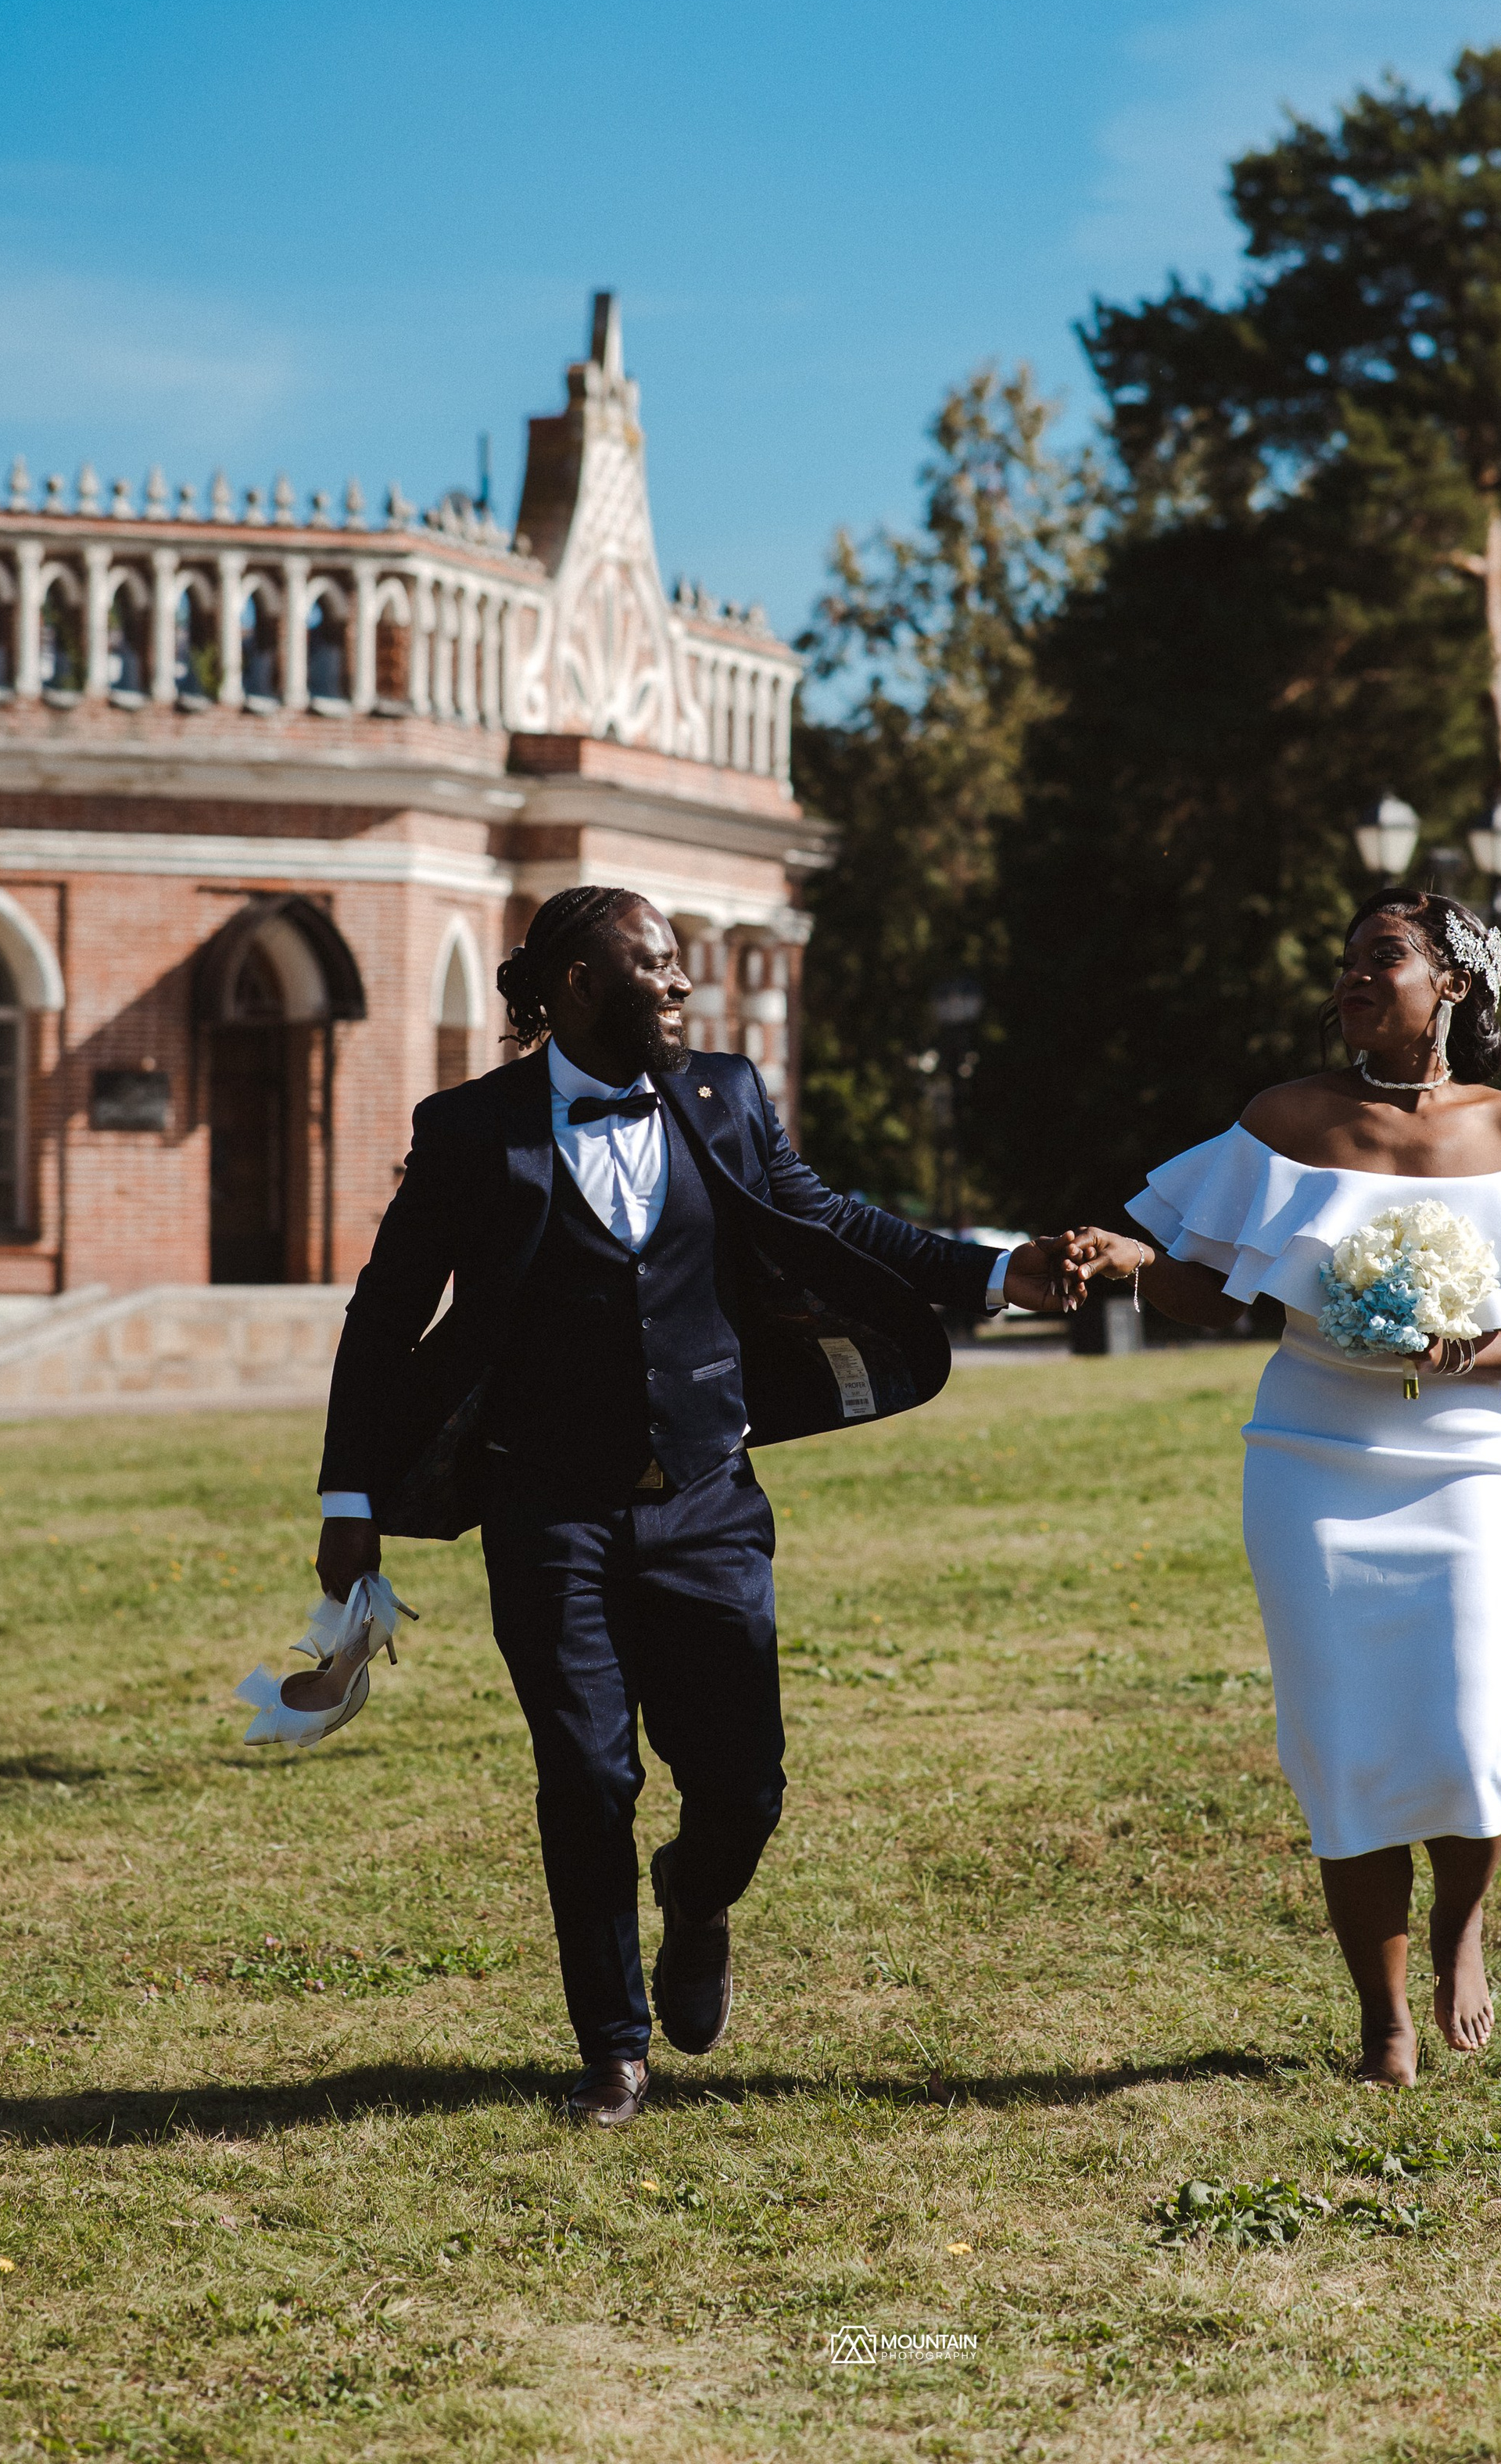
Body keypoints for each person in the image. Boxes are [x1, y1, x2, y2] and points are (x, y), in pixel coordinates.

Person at [313, 886, 1077, 2128]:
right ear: (571, 987)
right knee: (583, 1775)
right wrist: (351, 1491)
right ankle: (613, 2049)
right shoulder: (470, 1131)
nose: (680, 984)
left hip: (709, 1501)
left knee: (744, 1787)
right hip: (546, 1509)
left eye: (679, 965)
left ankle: (701, 1896)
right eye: (652, 965)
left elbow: (827, 1222)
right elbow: (385, 1315)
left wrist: (996, 1270)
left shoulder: (726, 1097)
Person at [1067, 891, 1501, 2086]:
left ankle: (1460, 1931)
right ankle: (1381, 2016)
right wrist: (1137, 1265)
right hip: (1309, 1465)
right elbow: (1210, 1289)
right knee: (1343, 1744)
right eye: (1342, 964)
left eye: (1381, 959)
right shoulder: (1282, 1121)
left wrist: (1471, 1351)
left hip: (1463, 1467)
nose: (1350, 980)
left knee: (1473, 1738)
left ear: (1454, 985)